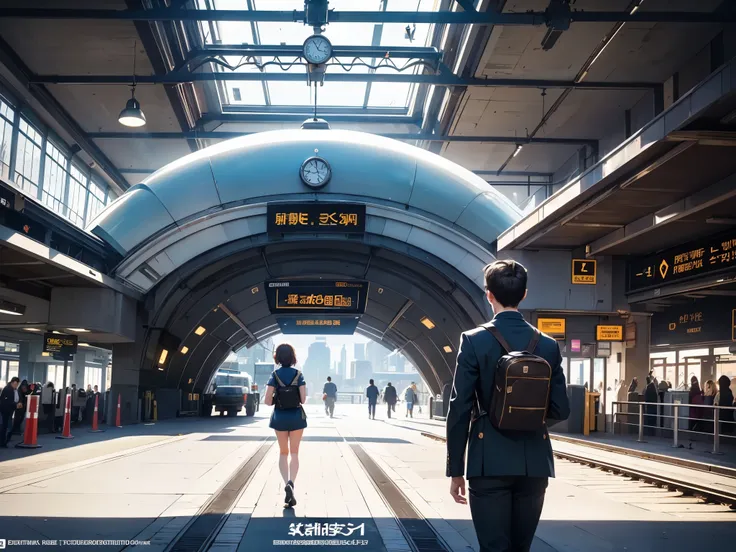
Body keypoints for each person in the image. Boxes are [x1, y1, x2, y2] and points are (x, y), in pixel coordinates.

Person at [446, 260, 569, 552]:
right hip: (534, 463)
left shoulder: (473, 341)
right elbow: (561, 409)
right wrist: (528, 420)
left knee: (494, 547)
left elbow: (459, 407)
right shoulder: (549, 345)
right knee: (520, 548)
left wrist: (455, 470)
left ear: (489, 295)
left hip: (488, 462)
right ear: (524, 294)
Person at [264, 343, 306, 509]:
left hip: (280, 417)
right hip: (296, 417)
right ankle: (291, 483)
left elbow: (267, 400)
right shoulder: (298, 375)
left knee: (283, 452)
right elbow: (303, 399)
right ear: (293, 357)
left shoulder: (274, 375)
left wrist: (276, 400)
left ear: (278, 358)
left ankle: (285, 483)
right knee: (294, 452)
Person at [0, 377, 21, 447]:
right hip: (6, 410)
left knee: (6, 427)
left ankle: (4, 442)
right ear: (13, 382)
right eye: (16, 384)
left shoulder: (14, 389)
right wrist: (16, 404)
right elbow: (7, 401)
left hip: (10, 410)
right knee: (6, 427)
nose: (16, 385)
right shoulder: (8, 389)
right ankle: (3, 442)